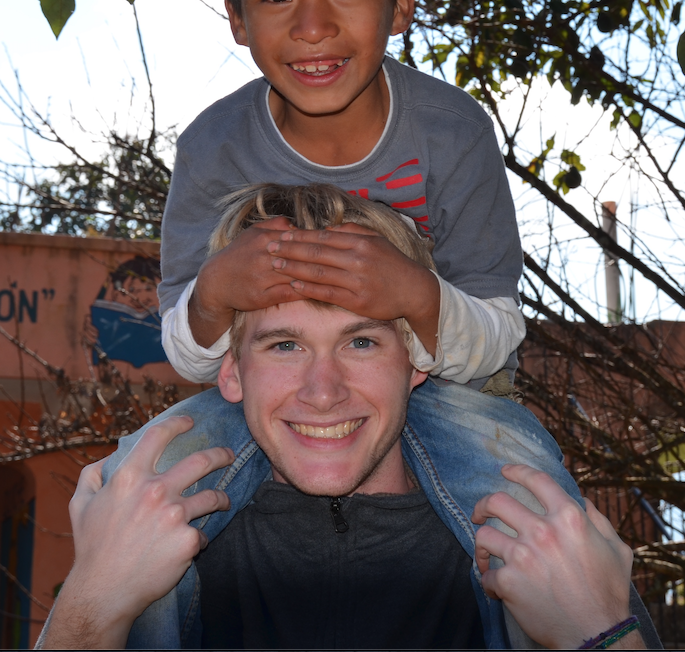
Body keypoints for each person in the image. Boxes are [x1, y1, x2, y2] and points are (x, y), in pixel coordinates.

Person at [37, 185, 659, 650]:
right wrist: (91, 606)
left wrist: (603, 633)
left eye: (361, 343)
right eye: (285, 345)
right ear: (229, 370)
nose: (324, 390)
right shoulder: (155, 553)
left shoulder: (528, 551)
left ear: (417, 361)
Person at [160, 0, 526, 393]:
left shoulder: (452, 133)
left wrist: (416, 296)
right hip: (282, 401)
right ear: (237, 17)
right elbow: (187, 355)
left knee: (519, 477)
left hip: (448, 397)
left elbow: (500, 332)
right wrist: (213, 293)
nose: (313, 26)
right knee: (151, 468)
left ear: (400, 3)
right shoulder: (213, 149)